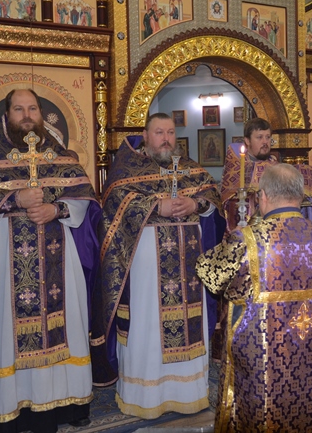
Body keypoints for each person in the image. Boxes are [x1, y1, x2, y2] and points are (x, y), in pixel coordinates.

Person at [0, 88, 98, 432]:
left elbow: (84, 198)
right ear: (6, 115)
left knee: (65, 325)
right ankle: (6, 408)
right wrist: (13, 199)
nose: (27, 115)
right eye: (19, 109)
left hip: (58, 255)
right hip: (4, 259)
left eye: (32, 108)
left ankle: (64, 403)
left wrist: (55, 209)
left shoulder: (59, 155)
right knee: (4, 330)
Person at [91, 112, 223, 419]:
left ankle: (189, 393)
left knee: (189, 324)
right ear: (146, 136)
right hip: (146, 272)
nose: (166, 139)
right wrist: (154, 206)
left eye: (170, 132)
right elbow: (114, 202)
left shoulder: (189, 168)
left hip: (189, 269)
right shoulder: (128, 168)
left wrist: (196, 204)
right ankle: (146, 396)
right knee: (147, 327)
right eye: (159, 132)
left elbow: (212, 197)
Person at [197, 164, 312, 431]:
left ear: (263, 196)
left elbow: (210, 273)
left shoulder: (249, 238)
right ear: (300, 195)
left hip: (264, 356)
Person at [220, 117, 276, 230]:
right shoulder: (237, 165)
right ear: (247, 140)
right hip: (245, 226)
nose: (265, 142)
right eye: (259, 137)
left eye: (268, 137)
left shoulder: (275, 164)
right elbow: (228, 199)